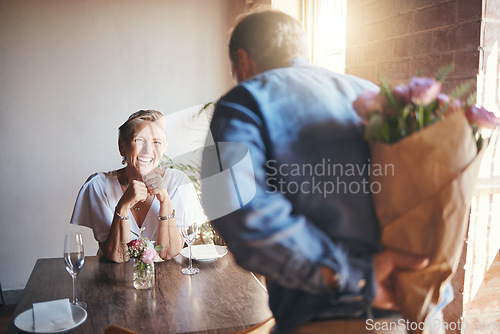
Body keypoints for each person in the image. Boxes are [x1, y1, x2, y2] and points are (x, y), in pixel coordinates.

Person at [201, 10, 430, 333]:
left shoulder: (243, 101)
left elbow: (235, 206)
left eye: (234, 70)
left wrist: (352, 274)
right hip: (420, 308)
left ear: (243, 60)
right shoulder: (371, 94)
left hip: (335, 319)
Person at [70, 109, 206, 263]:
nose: (148, 151)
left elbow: (168, 253)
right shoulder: (98, 186)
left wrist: (165, 201)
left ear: (164, 148)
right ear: (122, 146)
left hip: (167, 280)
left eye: (156, 142)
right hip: (114, 281)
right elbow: (118, 256)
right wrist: (123, 205)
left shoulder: (179, 183)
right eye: (139, 140)